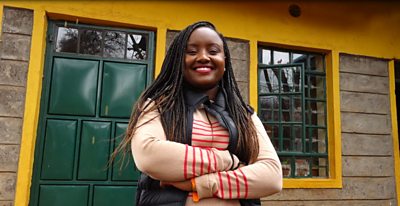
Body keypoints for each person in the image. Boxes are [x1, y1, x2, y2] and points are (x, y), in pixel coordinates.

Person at [114, 21, 282, 206]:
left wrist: (201, 183)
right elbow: (149, 156)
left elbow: (272, 176)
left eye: (213, 51)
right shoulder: (157, 107)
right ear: (178, 61)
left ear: (225, 62)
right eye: (192, 52)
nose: (203, 57)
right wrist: (229, 161)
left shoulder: (244, 115)